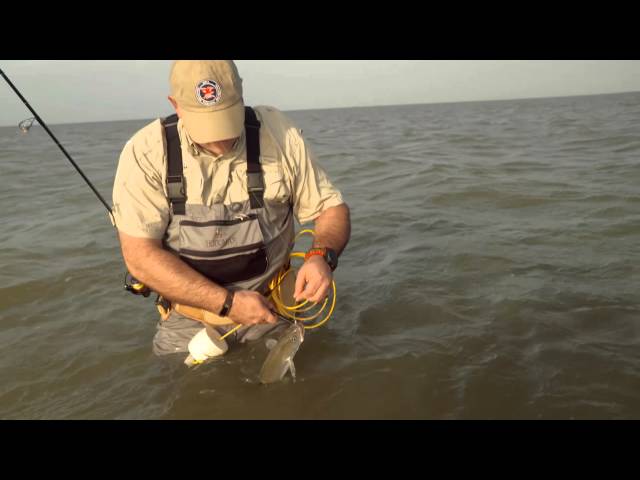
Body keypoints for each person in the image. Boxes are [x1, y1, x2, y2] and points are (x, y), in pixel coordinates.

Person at [111, 60, 351, 359]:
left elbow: (330, 208)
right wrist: (227, 303)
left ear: (241, 94)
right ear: (175, 105)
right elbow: (140, 256)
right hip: (191, 321)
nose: (219, 138)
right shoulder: (145, 152)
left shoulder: (279, 133)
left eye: (226, 120)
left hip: (274, 306)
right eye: (204, 124)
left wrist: (322, 257)